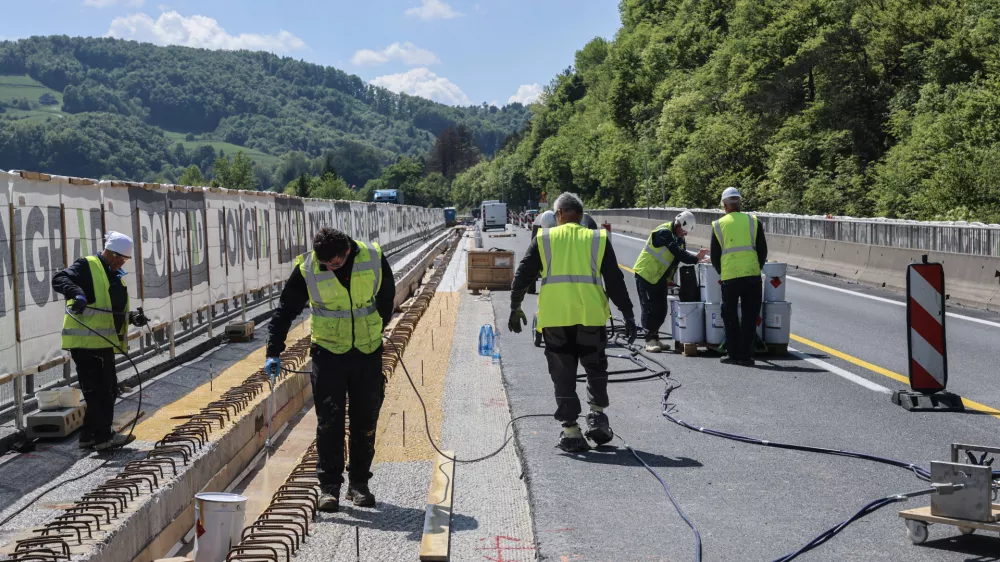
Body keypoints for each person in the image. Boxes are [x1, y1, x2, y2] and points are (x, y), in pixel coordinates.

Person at [265, 227, 396, 512]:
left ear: (347, 251)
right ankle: (329, 488)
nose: (328, 268)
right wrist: (274, 349)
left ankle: (359, 484)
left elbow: (387, 298)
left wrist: (375, 329)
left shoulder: (373, 257)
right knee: (329, 424)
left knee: (365, 423)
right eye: (325, 264)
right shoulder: (309, 267)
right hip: (328, 355)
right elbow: (286, 308)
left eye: (334, 264)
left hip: (367, 353)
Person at [508, 193, 637, 453]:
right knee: (596, 368)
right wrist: (629, 314)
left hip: (555, 319)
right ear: (581, 215)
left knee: (563, 374)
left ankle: (571, 431)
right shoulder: (597, 239)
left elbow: (523, 274)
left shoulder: (544, 238)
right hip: (590, 317)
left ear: (558, 215)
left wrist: (515, 306)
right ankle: (598, 417)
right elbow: (614, 281)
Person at [53, 231, 148, 451]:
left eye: (124, 260)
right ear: (110, 252)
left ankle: (88, 436)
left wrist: (132, 317)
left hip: (102, 341)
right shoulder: (88, 265)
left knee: (103, 390)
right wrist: (76, 294)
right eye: (119, 258)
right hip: (87, 344)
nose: (121, 263)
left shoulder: (113, 274)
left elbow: (109, 308)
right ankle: (104, 438)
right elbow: (59, 279)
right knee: (101, 391)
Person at [632, 211, 708, 353]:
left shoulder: (679, 238)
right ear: (678, 224)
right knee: (649, 308)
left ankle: (655, 337)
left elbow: (675, 261)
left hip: (659, 277)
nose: (684, 235)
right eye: (684, 232)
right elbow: (677, 253)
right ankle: (649, 340)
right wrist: (696, 259)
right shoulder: (663, 232)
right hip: (646, 274)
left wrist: (670, 279)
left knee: (661, 308)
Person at [711, 187, 768, 366]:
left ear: (724, 206)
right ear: (739, 203)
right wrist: (756, 267)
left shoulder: (718, 225)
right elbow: (762, 250)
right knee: (750, 316)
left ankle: (732, 353)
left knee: (730, 316)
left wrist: (723, 271)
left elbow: (714, 255)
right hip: (752, 275)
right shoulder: (753, 221)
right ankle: (746, 356)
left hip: (730, 277)